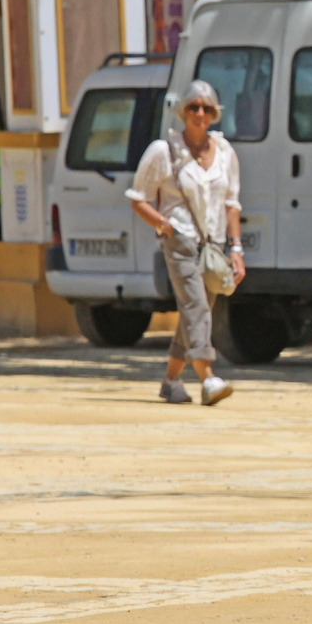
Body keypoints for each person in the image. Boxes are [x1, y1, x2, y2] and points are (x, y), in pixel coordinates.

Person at [127, 80, 245, 407]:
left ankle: (170, 382)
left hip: (213, 245)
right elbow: (139, 199)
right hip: (178, 240)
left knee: (199, 309)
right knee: (195, 306)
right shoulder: (163, 151)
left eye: (207, 108)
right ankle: (208, 379)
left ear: (215, 114)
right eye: (193, 107)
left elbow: (232, 204)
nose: (200, 113)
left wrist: (236, 249)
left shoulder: (225, 153)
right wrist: (164, 225)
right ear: (183, 111)